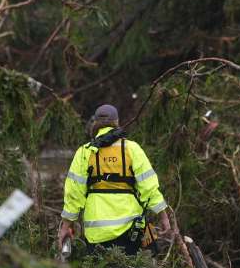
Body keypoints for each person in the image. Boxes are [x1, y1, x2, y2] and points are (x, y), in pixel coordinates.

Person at [57, 104, 171, 256]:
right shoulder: (132, 149)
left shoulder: (84, 152)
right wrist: (163, 216)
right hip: (132, 229)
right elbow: (149, 187)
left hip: (97, 232)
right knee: (141, 265)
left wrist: (66, 225)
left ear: (95, 124)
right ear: (117, 122)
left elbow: (74, 193)